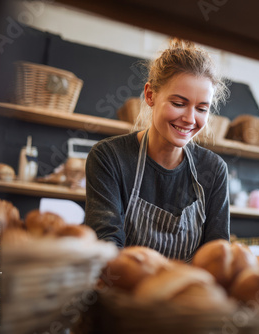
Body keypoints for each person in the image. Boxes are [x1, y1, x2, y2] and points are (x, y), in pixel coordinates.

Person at [84, 38, 230, 262]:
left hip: (189, 293)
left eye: (202, 108)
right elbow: (106, 247)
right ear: (150, 95)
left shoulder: (214, 169)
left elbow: (218, 257)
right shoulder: (109, 158)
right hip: (122, 291)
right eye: (179, 104)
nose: (190, 119)